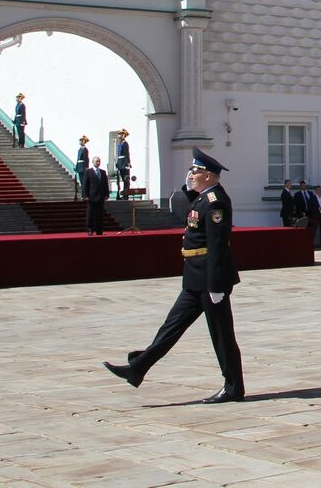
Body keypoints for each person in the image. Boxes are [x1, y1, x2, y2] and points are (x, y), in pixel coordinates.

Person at [104, 148, 245, 402]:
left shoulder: (216, 202)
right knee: (171, 327)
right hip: (194, 278)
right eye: (191, 170)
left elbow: (217, 245)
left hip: (210, 281)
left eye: (196, 171)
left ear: (211, 176)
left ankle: (233, 388)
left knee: (222, 336)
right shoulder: (203, 197)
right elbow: (186, 195)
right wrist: (190, 179)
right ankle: (138, 368)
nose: (191, 175)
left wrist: (216, 285)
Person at [82, 155, 110, 236]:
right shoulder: (88, 172)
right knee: (90, 214)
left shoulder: (103, 172)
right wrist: (85, 195)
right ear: (93, 162)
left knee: (100, 215)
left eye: (99, 161)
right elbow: (85, 184)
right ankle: (90, 229)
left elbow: (105, 184)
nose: (98, 163)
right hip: (91, 197)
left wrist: (106, 194)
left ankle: (99, 230)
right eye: (96, 161)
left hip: (101, 197)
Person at [114, 129, 132, 199]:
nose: (119, 135)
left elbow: (127, 154)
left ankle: (126, 195)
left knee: (126, 180)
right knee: (121, 179)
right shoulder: (120, 144)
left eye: (120, 134)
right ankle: (121, 194)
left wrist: (128, 163)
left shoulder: (125, 143)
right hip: (120, 163)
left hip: (124, 163)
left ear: (123, 135)